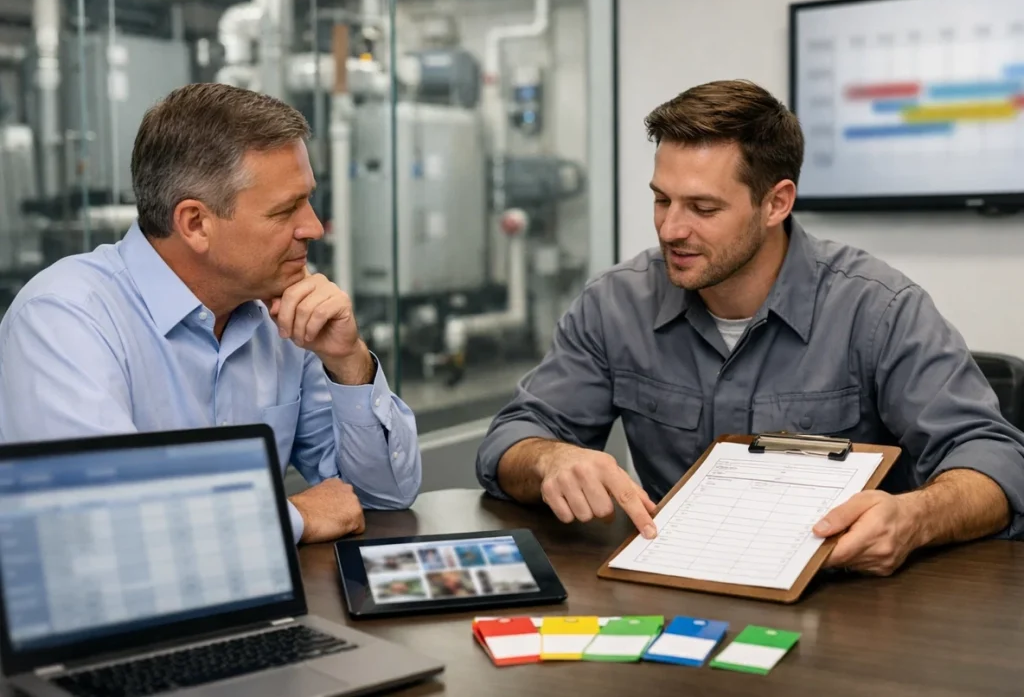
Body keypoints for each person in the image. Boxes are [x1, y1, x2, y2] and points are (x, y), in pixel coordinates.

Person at [476, 79, 1024, 576]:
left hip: (846, 608)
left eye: (703, 208)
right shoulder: (615, 303)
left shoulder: (878, 308)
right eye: (661, 200)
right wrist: (552, 458)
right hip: (673, 590)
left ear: (776, 203)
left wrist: (913, 518)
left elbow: (996, 461)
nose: (671, 228)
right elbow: (508, 442)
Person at [0, 83, 421, 543]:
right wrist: (293, 516)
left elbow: (382, 497)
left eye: (309, 200)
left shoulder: (280, 316)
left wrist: (349, 363)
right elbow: (103, 524)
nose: (314, 228)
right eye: (286, 211)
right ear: (196, 223)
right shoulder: (65, 318)